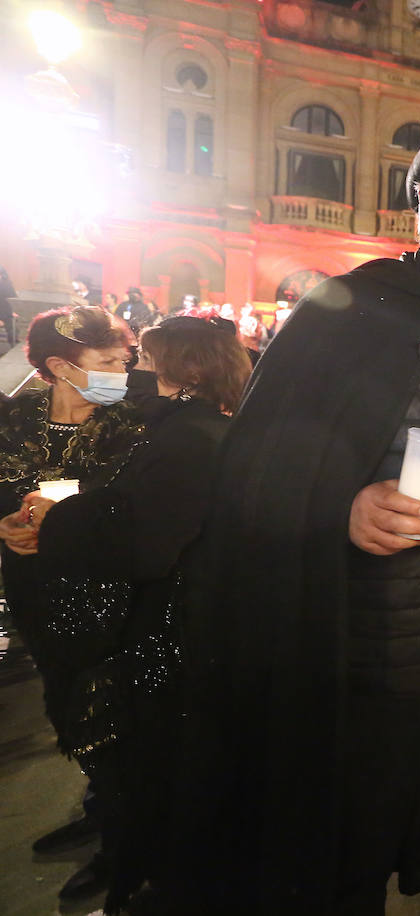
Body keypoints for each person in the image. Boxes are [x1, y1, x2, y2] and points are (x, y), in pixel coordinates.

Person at [173, 95, 420, 914]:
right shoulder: (343, 313)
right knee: (336, 870)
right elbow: (254, 474)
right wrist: (341, 506)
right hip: (362, 667)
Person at [18, 316, 249, 912]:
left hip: (157, 640)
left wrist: (60, 519)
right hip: (138, 628)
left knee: (148, 773)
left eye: (140, 361)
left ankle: (138, 878)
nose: (131, 373)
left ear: (181, 372)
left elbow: (146, 541)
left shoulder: (189, 438)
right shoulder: (172, 428)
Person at [0, 306, 145, 904]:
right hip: (35, 592)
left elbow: (141, 517)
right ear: (59, 367)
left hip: (110, 599)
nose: (124, 371)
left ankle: (126, 850)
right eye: (108, 362)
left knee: (114, 719)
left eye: (125, 359)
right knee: (66, 706)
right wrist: (7, 524)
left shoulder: (136, 424)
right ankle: (101, 810)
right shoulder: (14, 416)